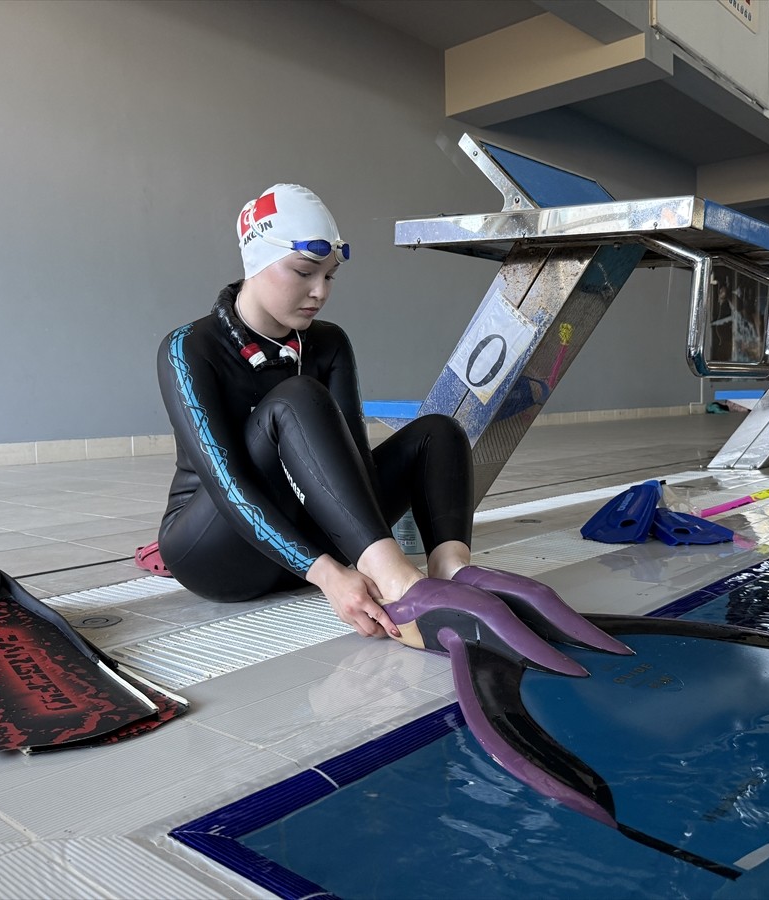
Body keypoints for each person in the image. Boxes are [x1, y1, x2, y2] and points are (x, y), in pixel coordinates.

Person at [154, 184, 622, 656]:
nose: (320, 292)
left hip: (309, 536)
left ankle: (451, 568)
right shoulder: (190, 348)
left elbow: (354, 471)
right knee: (294, 397)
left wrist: (342, 556)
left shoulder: (328, 342)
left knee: (437, 431)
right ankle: (398, 583)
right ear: (256, 263)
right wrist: (330, 576)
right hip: (219, 551)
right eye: (304, 272)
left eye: (331, 276)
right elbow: (226, 484)